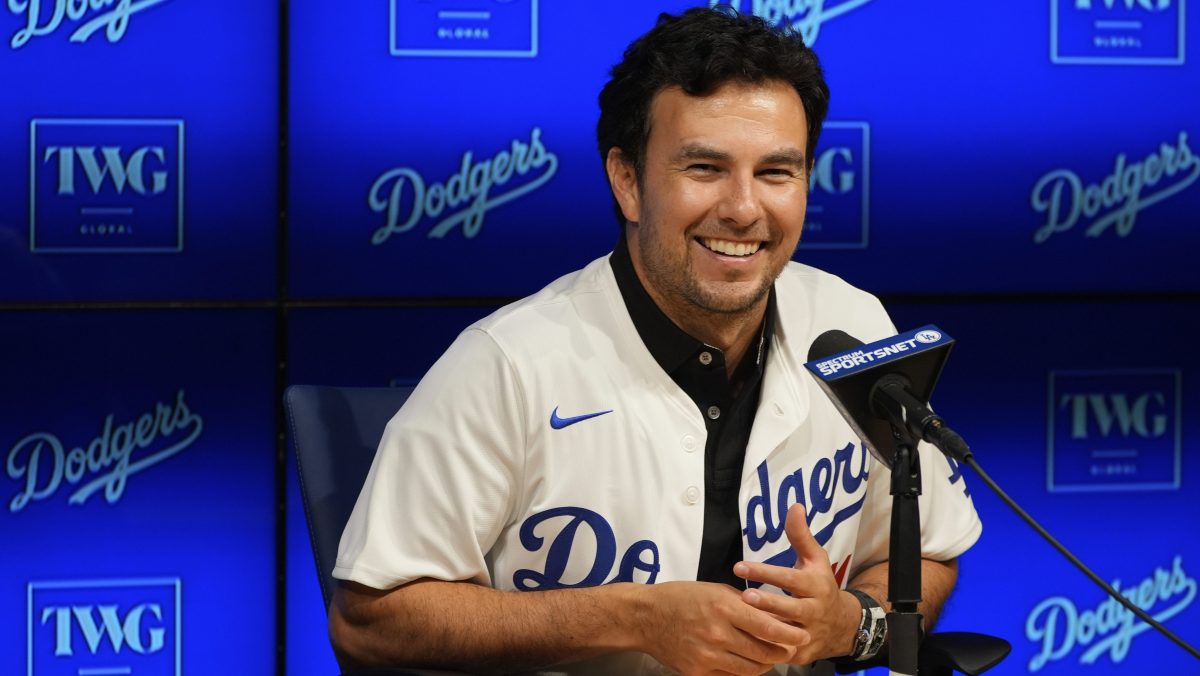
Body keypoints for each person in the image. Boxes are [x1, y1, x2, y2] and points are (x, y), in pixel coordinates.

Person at [329, 8, 980, 675]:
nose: (744, 208)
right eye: (704, 168)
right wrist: (632, 617)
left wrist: (855, 622)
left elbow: (930, 550)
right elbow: (369, 617)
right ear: (628, 180)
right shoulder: (508, 363)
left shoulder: (852, 324)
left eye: (777, 173)